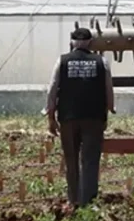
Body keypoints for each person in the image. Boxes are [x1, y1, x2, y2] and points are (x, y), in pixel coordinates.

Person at [46, 27, 115, 209]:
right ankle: (88, 202)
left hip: (68, 118)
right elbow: (109, 89)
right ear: (91, 43)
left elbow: (52, 89)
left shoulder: (62, 61)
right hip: (93, 118)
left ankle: (73, 200)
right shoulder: (101, 62)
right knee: (90, 159)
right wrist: (109, 110)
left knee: (71, 158)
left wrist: (51, 116)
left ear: (71, 42)